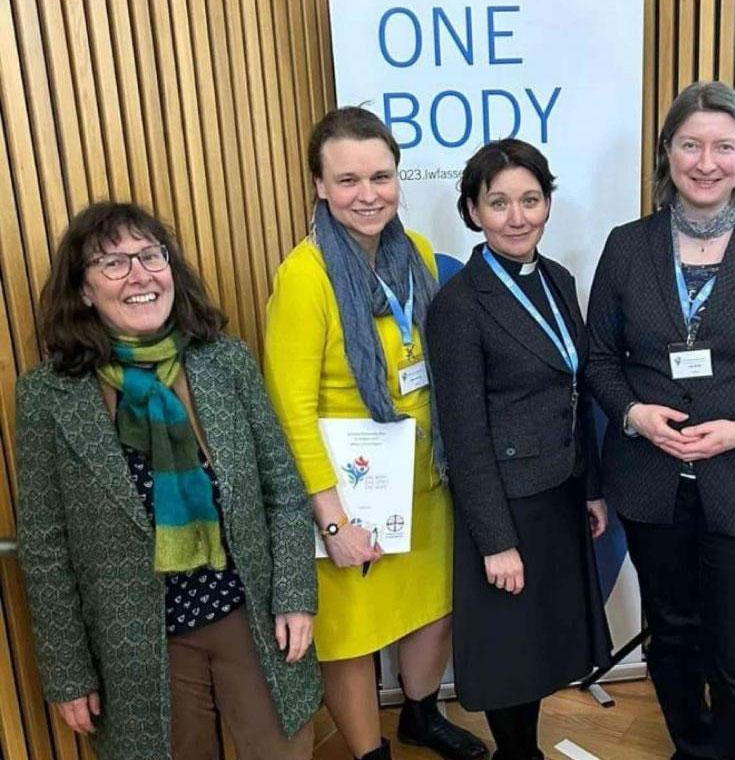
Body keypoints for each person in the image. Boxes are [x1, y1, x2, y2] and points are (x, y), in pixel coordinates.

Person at [15, 202, 321, 760]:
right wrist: (66, 672)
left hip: (246, 614)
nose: (139, 275)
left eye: (150, 256)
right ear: (83, 291)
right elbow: (45, 548)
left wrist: (296, 596)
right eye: (113, 263)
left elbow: (282, 486)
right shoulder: (48, 397)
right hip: (138, 641)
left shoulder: (224, 361)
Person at [586, 81, 735, 760]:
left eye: (724, 145)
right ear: (666, 152)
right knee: (673, 636)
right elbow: (599, 358)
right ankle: (693, 749)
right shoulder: (628, 245)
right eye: (690, 144)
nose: (705, 161)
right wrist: (633, 414)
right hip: (650, 482)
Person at [263, 106, 486, 760]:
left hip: (424, 475)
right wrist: (332, 521)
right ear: (319, 186)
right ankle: (369, 751)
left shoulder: (414, 253)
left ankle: (420, 712)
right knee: (352, 634)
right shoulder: (304, 277)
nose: (368, 195)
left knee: (431, 606)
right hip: (350, 488)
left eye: (381, 177)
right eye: (349, 180)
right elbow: (291, 409)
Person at [426, 139, 612, 760]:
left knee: (539, 641)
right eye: (498, 202)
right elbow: (464, 430)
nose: (517, 216)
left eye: (529, 200)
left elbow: (574, 388)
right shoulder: (458, 304)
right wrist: (495, 539)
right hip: (506, 504)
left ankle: (525, 750)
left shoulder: (557, 279)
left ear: (547, 203)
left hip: (559, 491)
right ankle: (517, 753)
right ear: (473, 211)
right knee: (510, 648)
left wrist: (589, 487)